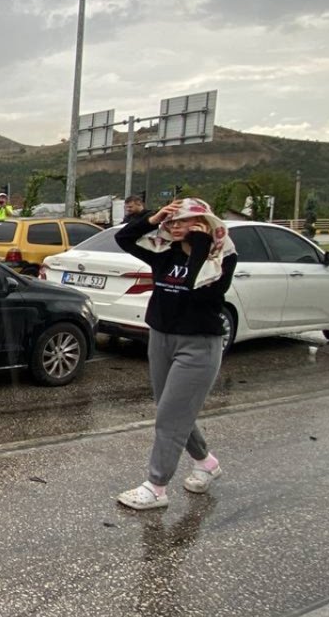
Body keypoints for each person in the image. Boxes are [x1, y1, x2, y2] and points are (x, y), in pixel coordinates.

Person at [113, 197, 238, 510]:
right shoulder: (163, 254)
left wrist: (199, 240)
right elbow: (123, 238)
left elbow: (199, 284)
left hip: (198, 346)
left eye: (183, 220)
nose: (175, 225)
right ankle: (206, 462)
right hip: (161, 339)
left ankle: (156, 486)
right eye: (172, 221)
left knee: (170, 417)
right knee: (171, 410)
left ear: (203, 223)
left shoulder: (219, 258)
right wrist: (152, 219)